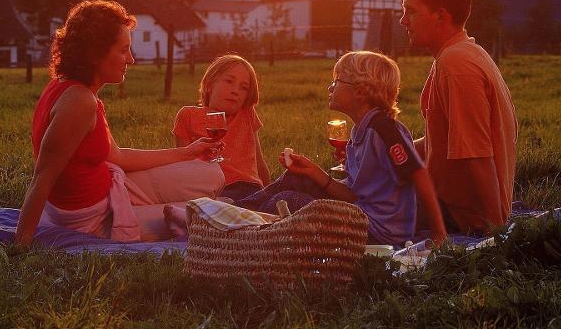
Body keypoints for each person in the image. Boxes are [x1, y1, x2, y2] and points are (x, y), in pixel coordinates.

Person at [167, 52, 447, 247]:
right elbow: (351, 194)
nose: (330, 86)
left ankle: (225, 228)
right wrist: (315, 173)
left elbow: (418, 175)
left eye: (337, 81)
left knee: (290, 200)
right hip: (362, 216)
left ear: (360, 92)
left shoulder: (385, 130)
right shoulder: (360, 132)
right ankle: (217, 217)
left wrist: (438, 233)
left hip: (380, 233)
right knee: (295, 180)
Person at [14, 0, 224, 246]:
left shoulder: (75, 91)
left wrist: (188, 152)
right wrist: (20, 244)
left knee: (212, 174)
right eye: (123, 50)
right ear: (95, 54)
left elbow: (118, 157)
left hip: (110, 186)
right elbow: (43, 176)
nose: (131, 60)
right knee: (215, 212)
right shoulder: (78, 102)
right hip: (93, 218)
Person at [397, 0, 518, 236]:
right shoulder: (460, 53)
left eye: (411, 11)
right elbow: (441, 142)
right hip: (446, 203)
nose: (403, 20)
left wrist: (496, 233)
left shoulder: (457, 64)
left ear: (440, 15)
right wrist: (381, 152)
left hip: (456, 214)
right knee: (350, 184)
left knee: (339, 205)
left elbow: (476, 155)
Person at [173, 55, 270, 201]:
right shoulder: (188, 115)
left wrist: (269, 191)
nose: (235, 91)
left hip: (253, 190)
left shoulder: (246, 113)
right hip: (218, 193)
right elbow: (183, 166)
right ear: (209, 85)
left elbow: (259, 161)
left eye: (244, 88)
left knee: (295, 185)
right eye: (229, 81)